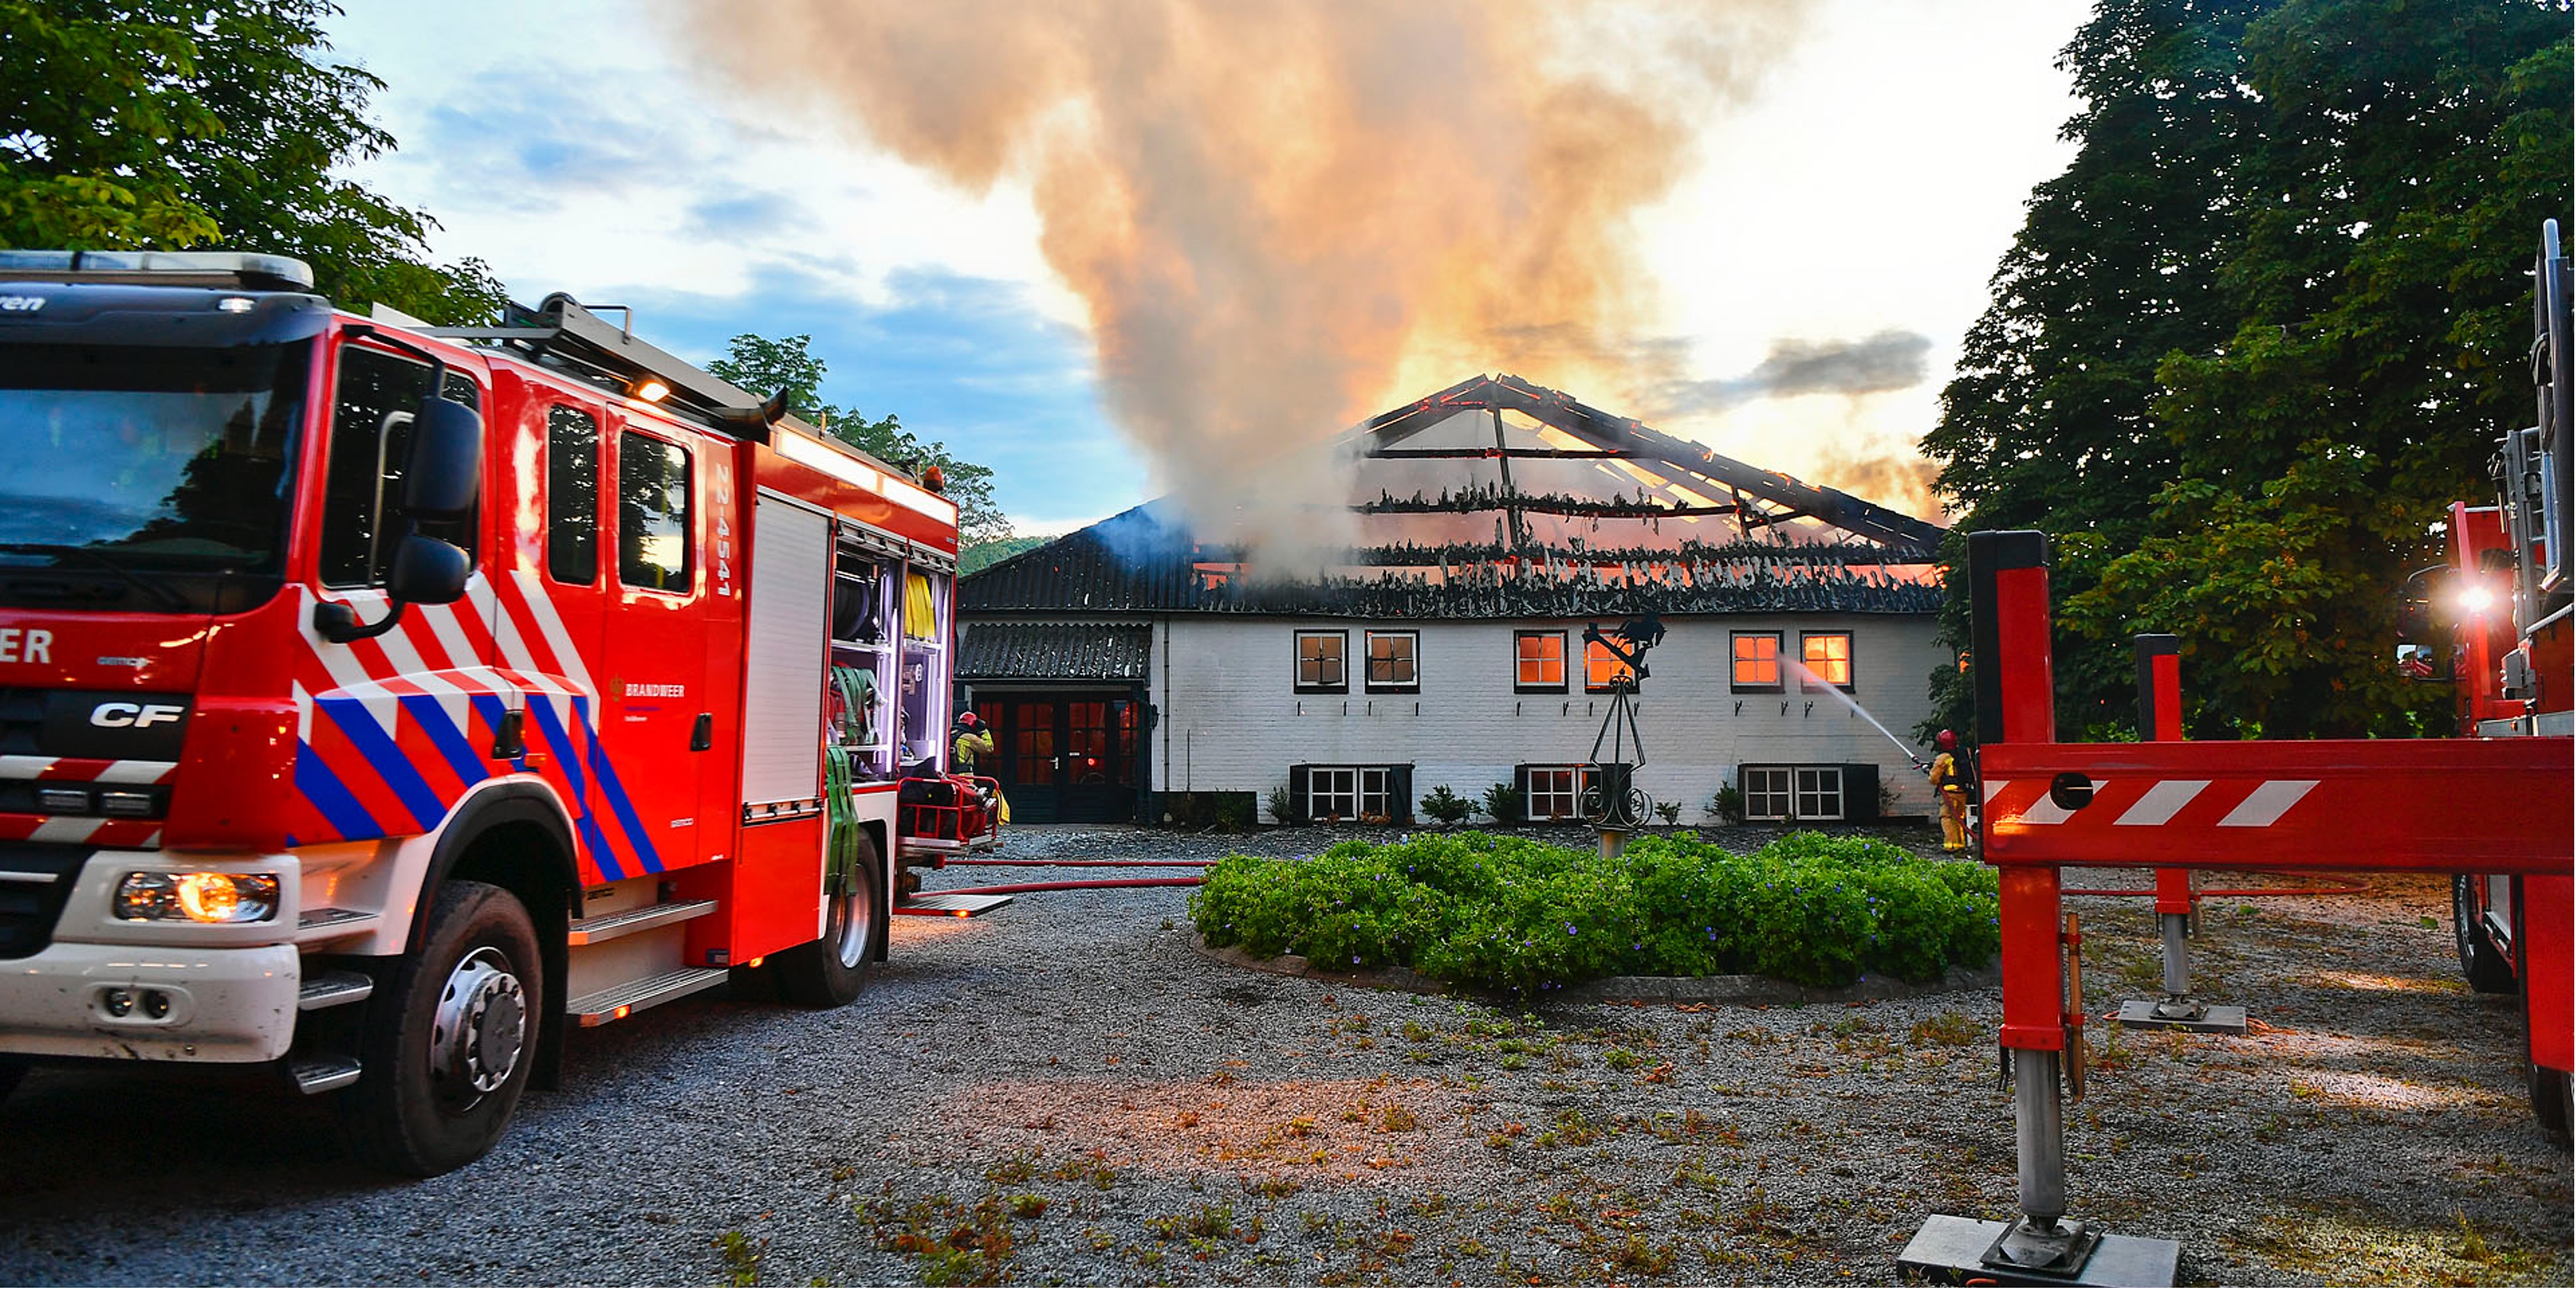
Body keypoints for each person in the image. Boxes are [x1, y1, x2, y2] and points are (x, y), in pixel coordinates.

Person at [1927, 729, 1967, 853]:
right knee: (1959, 818)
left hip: (1950, 794)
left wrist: (1929, 772)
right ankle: (1960, 844)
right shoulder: (1960, 755)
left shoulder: (1944, 757)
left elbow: (1934, 779)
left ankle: (1951, 846)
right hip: (1962, 792)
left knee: (1947, 817)